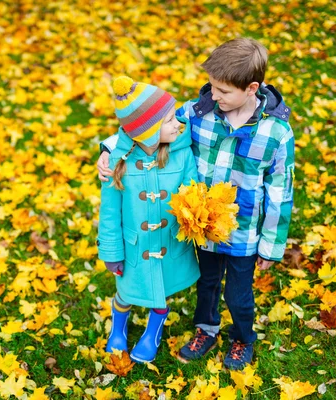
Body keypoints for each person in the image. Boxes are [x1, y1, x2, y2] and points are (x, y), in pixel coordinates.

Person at [97, 38, 295, 370]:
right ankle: (206, 329)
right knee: (206, 284)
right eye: (212, 87)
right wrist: (108, 147)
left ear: (251, 88)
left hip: (243, 234)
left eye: (221, 90)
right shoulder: (198, 112)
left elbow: (280, 191)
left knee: (238, 294)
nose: (212, 94)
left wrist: (271, 246)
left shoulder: (276, 133)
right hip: (200, 227)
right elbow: (145, 125)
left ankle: (243, 337)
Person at [98, 75, 200, 363]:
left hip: (168, 241)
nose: (177, 124)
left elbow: (192, 193)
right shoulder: (119, 163)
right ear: (147, 132)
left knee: (162, 290)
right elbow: (109, 213)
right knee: (126, 292)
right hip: (134, 246)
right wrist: (110, 251)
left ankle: (152, 333)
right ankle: (118, 328)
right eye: (169, 120)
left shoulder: (181, 155)